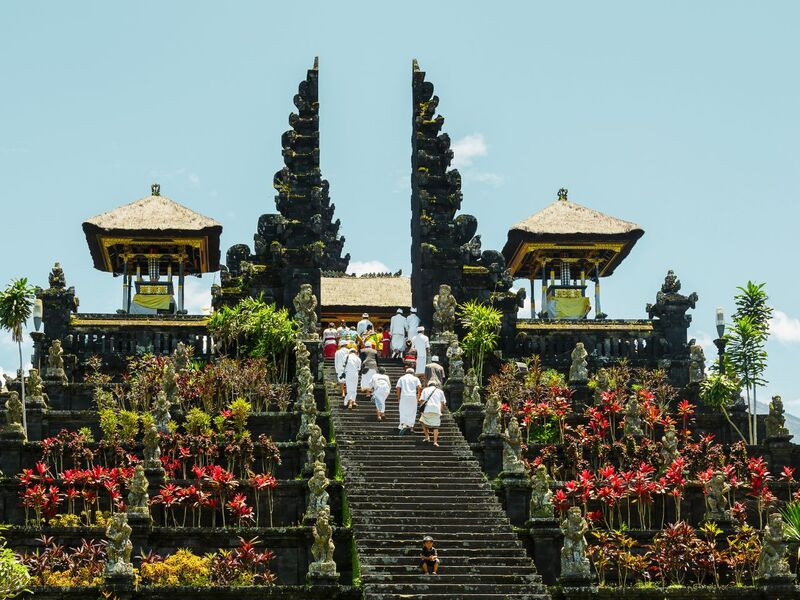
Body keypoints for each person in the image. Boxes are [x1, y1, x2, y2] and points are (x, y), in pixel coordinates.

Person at [419, 380, 446, 447]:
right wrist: (441, 410)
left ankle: (427, 436)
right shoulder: (440, 391)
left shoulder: (425, 390)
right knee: (435, 426)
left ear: (429, 385)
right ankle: (435, 442)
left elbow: (421, 400)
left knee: (422, 421)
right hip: (436, 409)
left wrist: (421, 407)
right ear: (435, 385)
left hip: (427, 409)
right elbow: (443, 403)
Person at [395, 367, 422, 432]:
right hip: (413, 396)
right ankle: (411, 426)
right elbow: (419, 387)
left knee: (403, 410)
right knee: (412, 411)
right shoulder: (415, 378)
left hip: (404, 396)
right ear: (413, 373)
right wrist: (418, 396)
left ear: (406, 372)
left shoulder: (402, 378)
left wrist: (398, 397)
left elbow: (398, 388)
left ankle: (402, 425)